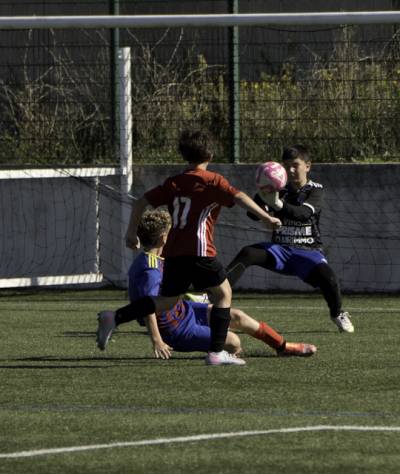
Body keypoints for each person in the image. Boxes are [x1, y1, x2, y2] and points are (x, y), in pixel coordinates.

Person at [96, 129, 281, 366]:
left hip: (174, 254)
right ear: (211, 154)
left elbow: (142, 201)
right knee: (224, 293)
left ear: (185, 155)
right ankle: (216, 352)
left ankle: (115, 316)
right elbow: (239, 197)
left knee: (167, 301)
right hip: (200, 251)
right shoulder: (212, 181)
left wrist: (131, 232)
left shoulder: (174, 182)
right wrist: (265, 217)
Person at [130, 210, 316, 359]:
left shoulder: (162, 257)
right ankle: (221, 352)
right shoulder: (150, 269)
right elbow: (148, 306)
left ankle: (282, 346)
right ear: (164, 238)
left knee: (237, 315)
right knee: (233, 342)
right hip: (173, 329)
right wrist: (157, 340)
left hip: (184, 311)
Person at [226, 145, 354, 333]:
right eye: (286, 166)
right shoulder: (279, 189)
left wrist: (277, 203)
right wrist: (261, 197)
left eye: (295, 165)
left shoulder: (315, 190)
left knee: (330, 279)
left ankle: (337, 313)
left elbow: (302, 214)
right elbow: (252, 216)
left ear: (308, 166)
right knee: (248, 253)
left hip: (308, 253)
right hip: (280, 251)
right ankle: (214, 296)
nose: (290, 170)